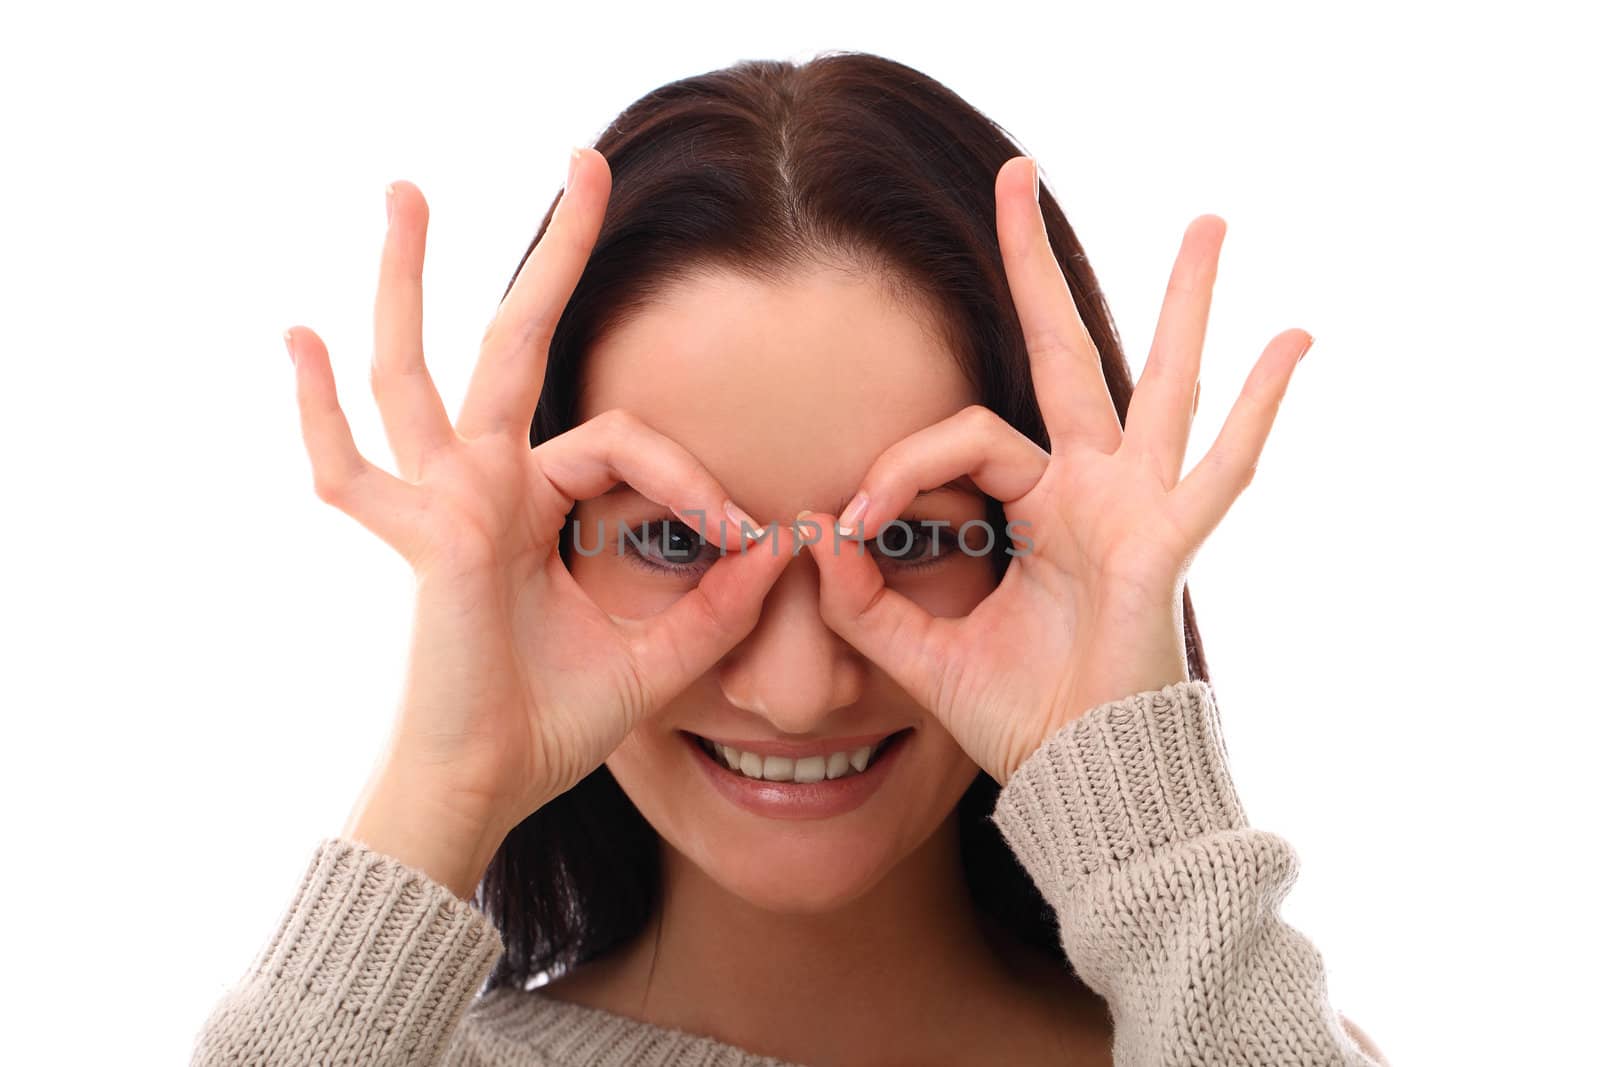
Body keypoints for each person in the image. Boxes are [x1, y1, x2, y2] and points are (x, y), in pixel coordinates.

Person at [191, 52, 1387, 1066]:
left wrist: (1152, 822)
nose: (798, 684)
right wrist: (438, 786)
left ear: (1037, 548)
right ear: (541, 554)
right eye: (669, 537)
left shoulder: (1234, 1031)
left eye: (912, 536)